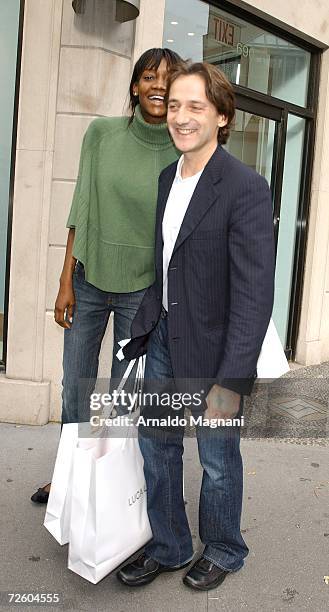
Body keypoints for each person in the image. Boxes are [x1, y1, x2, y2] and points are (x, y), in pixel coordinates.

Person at [117, 62, 275, 590]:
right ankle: (170, 545)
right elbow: (168, 265)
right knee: (157, 445)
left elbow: (254, 294)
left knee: (216, 459)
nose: (180, 117)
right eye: (175, 105)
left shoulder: (245, 188)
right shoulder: (168, 177)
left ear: (222, 117)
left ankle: (226, 548)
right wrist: (143, 330)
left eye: (196, 107)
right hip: (164, 336)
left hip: (217, 347)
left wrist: (232, 381)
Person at [31, 47, 181, 504]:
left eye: (168, 79)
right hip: (89, 280)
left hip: (142, 291)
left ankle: (106, 485)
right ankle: (68, 475)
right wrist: (64, 279)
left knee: (118, 396)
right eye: (150, 76)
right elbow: (81, 208)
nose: (158, 85)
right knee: (75, 386)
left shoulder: (184, 150)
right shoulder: (102, 133)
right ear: (135, 86)